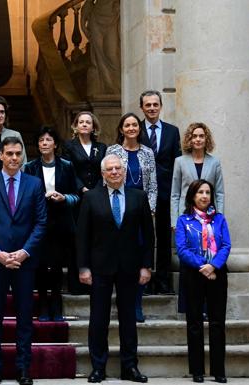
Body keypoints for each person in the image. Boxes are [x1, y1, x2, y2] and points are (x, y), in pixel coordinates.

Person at [0, 136, 47, 385]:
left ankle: (23, 368)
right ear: (1, 156)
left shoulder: (35, 184)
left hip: (25, 261)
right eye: (10, 153)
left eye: (18, 153)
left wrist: (24, 252)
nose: (15, 158)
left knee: (25, 317)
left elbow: (40, 222)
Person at [77, 154, 154, 384]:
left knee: (128, 318)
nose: (114, 172)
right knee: (98, 319)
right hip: (99, 267)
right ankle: (98, 367)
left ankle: (129, 367)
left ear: (123, 170)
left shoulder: (138, 197)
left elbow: (149, 237)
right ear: (103, 173)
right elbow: (82, 236)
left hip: (130, 267)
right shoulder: (91, 197)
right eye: (109, 169)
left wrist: (146, 266)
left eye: (118, 168)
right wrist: (83, 267)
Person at [175, 179, 230, 384]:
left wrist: (213, 265)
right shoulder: (183, 221)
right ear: (193, 196)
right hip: (193, 274)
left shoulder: (220, 219)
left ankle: (219, 370)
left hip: (217, 274)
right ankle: (197, 370)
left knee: (217, 323)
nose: (204, 196)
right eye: (200, 192)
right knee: (195, 323)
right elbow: (181, 249)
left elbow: (225, 245)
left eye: (207, 192)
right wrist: (203, 266)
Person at [23, 126, 79, 321]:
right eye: (41, 140)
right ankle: (43, 305)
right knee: (40, 266)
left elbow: (76, 194)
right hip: (38, 222)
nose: (45, 143)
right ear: (38, 145)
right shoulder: (30, 167)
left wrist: (63, 198)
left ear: (55, 144)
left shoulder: (67, 165)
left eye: (48, 140)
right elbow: (25, 196)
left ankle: (56, 304)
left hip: (60, 221)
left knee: (56, 267)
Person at [106, 112, 157, 322]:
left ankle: (136, 304)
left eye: (135, 125)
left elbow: (153, 184)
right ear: (121, 129)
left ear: (139, 128)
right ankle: (120, 303)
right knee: (119, 258)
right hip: (119, 210)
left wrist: (150, 210)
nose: (131, 128)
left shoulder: (148, 152)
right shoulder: (113, 151)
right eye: (127, 125)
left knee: (139, 258)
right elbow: (107, 178)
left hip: (140, 211)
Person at [171, 122, 225, 316]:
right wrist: (174, 220)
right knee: (190, 259)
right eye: (194, 136)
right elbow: (175, 193)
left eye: (201, 136)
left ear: (206, 139)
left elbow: (219, 192)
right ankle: (191, 307)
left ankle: (207, 307)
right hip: (187, 218)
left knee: (209, 256)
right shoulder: (180, 161)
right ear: (189, 139)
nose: (198, 139)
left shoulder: (215, 162)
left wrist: (219, 218)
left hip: (210, 219)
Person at [139, 90, 181, 295]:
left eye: (155, 104)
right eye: (148, 105)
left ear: (161, 106)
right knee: (145, 236)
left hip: (166, 191)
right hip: (142, 193)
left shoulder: (173, 131)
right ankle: (144, 279)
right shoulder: (133, 128)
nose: (152, 108)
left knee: (164, 238)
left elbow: (177, 162)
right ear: (142, 108)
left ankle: (163, 280)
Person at [61, 111, 107, 193]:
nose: (84, 124)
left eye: (88, 122)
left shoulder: (101, 147)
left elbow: (104, 171)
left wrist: (98, 188)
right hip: (76, 193)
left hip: (98, 192)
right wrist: (81, 188)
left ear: (93, 127)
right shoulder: (68, 146)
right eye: (81, 122)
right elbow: (67, 170)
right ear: (76, 126)